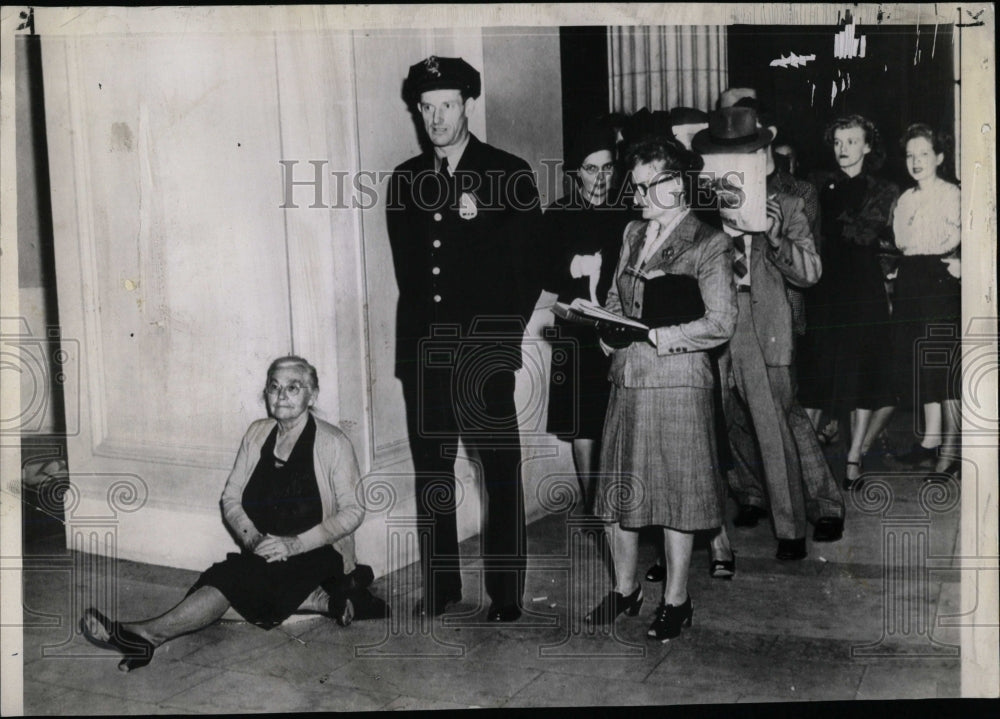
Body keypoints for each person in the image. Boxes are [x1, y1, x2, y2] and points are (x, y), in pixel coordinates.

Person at [80, 356, 380, 672]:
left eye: (293, 388)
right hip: (262, 553)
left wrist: (294, 544)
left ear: (313, 396)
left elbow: (354, 511)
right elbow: (231, 499)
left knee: (227, 582)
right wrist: (252, 539)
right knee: (227, 583)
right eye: (274, 387)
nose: (281, 396)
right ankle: (321, 601)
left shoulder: (333, 442)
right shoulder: (256, 434)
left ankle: (145, 634)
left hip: (318, 553)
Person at [386, 56, 541, 622]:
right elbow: (412, 270)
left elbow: (528, 270)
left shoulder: (508, 172)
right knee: (433, 472)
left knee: (498, 470)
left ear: (467, 105)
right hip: (425, 353)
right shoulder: (406, 180)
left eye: (446, 105)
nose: (436, 118)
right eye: (426, 107)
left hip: (483, 353)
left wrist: (498, 341)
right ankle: (442, 585)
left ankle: (505, 594)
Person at [586, 135, 737, 642]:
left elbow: (720, 323)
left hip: (678, 384)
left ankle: (676, 599)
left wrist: (656, 336)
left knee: (676, 497)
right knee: (617, 494)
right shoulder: (632, 233)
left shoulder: (708, 243)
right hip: (627, 380)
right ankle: (626, 590)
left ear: (679, 185)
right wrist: (606, 330)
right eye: (637, 187)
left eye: (649, 187)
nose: (638, 197)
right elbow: (614, 296)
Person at [693, 106, 845, 561]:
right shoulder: (703, 204)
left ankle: (792, 528)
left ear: (762, 153)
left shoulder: (791, 202)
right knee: (709, 424)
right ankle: (707, 528)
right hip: (714, 318)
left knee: (775, 424)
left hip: (764, 324)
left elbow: (811, 272)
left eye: (743, 153)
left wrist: (776, 240)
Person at [798, 115, 899, 489]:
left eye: (852, 142)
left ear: (867, 146)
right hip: (825, 290)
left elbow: (862, 232)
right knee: (818, 376)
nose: (843, 149)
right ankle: (806, 462)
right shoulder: (817, 183)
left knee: (862, 378)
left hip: (862, 291)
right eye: (838, 142)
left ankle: (854, 459)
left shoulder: (883, 189)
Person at [542, 118, 634, 511]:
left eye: (608, 167)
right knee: (582, 420)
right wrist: (570, 269)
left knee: (622, 417)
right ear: (576, 172)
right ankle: (594, 504)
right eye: (592, 168)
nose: (601, 177)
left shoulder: (629, 212)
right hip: (576, 331)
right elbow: (542, 269)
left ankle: (623, 505)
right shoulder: (559, 214)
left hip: (619, 329)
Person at [889, 124, 962, 478]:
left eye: (924, 155)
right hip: (912, 279)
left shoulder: (953, 194)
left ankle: (951, 451)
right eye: (910, 155)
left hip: (940, 279)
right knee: (921, 362)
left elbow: (963, 236)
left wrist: (963, 265)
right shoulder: (905, 198)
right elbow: (902, 242)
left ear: (940, 158)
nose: (916, 162)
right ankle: (930, 442)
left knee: (942, 367)